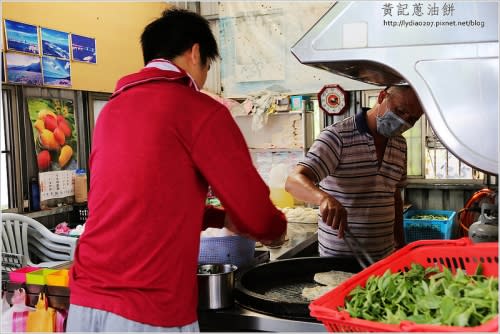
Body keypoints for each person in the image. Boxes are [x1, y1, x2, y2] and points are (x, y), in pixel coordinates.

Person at [67, 8, 287, 332]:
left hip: (85, 304)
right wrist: (275, 231)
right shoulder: (199, 109)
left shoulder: (112, 110)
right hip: (150, 310)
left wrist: (217, 219)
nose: (204, 80)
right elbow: (257, 215)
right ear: (195, 52)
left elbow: (142, 202)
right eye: (207, 68)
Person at [285, 85, 424, 261]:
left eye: (412, 119)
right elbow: (293, 181)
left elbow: (393, 194)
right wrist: (323, 198)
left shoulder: (400, 144)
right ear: (382, 97)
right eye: (400, 111)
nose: (403, 121)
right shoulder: (337, 136)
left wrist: (400, 244)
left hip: (384, 257)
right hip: (339, 258)